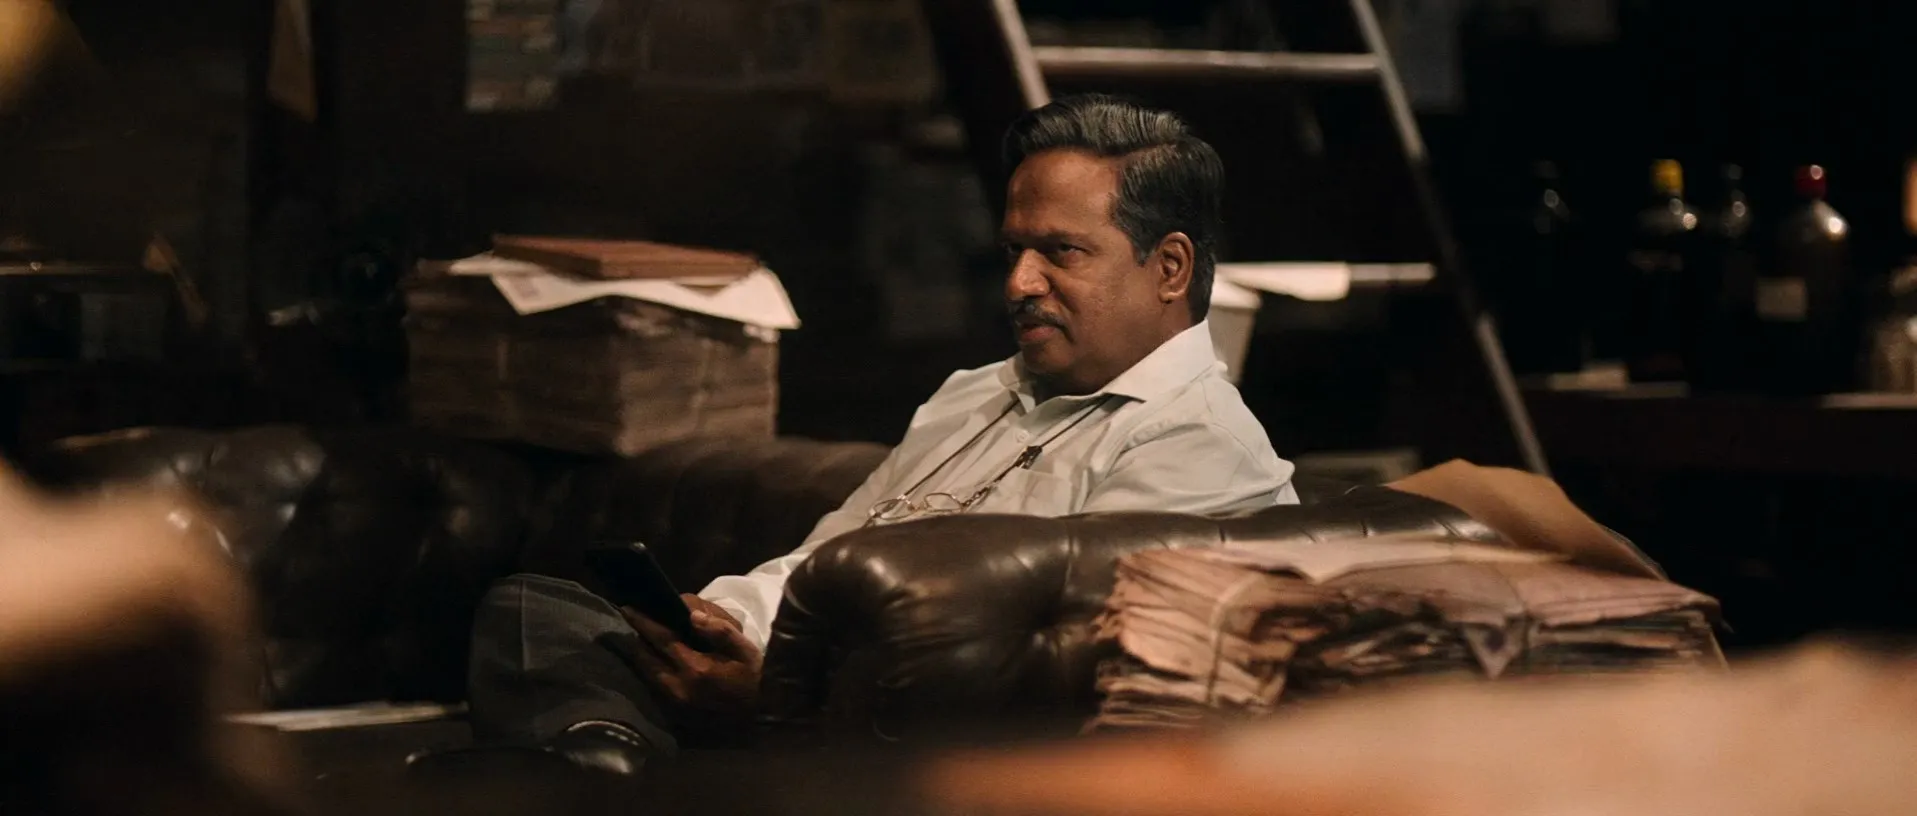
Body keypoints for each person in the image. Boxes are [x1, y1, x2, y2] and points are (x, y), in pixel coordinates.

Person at [455, 94, 1299, 772]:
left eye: (1059, 252)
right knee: (532, 609)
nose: (1018, 282)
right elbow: (826, 555)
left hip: (894, 745)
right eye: (1013, 249)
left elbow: (1050, 697)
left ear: (1169, 267)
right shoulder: (975, 393)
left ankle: (596, 758)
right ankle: (604, 753)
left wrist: (785, 706)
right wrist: (718, 622)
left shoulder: (1199, 450)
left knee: (556, 722)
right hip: (793, 696)